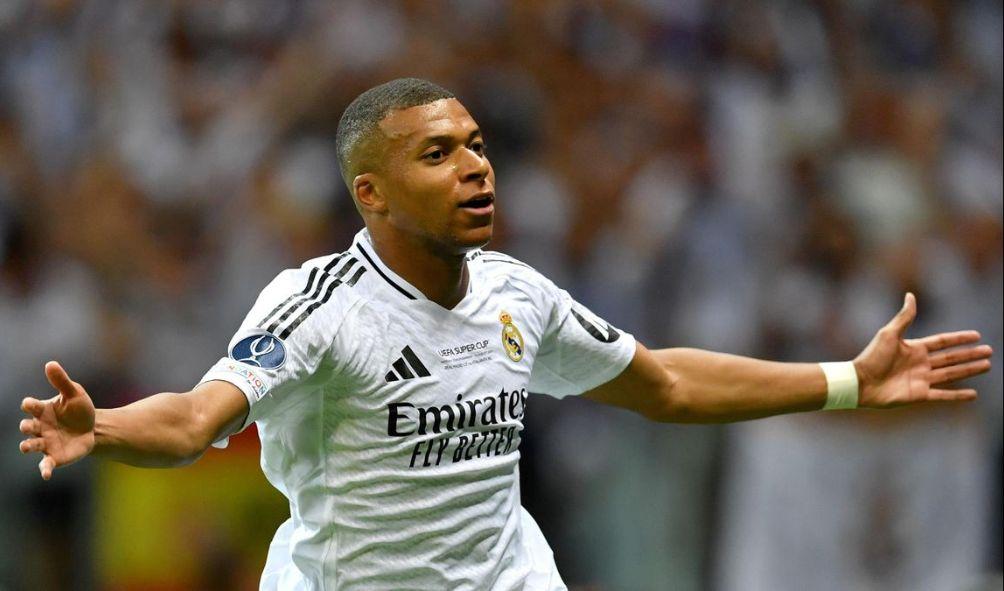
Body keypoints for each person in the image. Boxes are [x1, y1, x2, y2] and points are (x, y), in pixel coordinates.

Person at [16, 78, 993, 590]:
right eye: (436, 155)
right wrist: (100, 429)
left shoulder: (513, 293)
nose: (475, 168)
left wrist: (842, 382)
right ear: (371, 195)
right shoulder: (314, 308)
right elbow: (193, 420)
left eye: (476, 146)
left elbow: (662, 385)